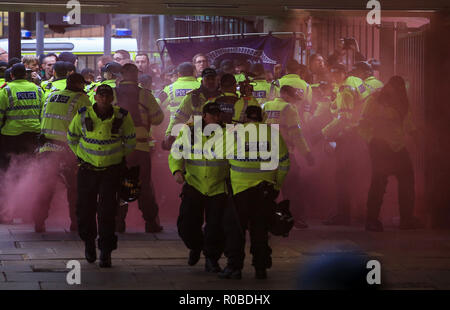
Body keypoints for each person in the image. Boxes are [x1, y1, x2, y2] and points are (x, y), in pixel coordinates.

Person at [67, 84, 136, 268]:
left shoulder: (122, 116)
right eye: (101, 95)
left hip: (111, 171)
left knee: (107, 212)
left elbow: (130, 141)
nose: (104, 99)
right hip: (87, 170)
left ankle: (105, 252)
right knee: (84, 210)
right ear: (95, 97)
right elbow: (72, 138)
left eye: (108, 96)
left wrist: (118, 157)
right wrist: (82, 156)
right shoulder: (83, 114)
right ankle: (89, 243)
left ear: (112, 98)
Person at [219, 105, 290, 280]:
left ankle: (234, 268)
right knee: (260, 231)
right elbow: (284, 163)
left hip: (239, 191)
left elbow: (219, 154)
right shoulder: (272, 133)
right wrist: (276, 186)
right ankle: (261, 268)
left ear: (244, 117)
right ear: (262, 117)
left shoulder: (235, 133)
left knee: (235, 230)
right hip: (264, 191)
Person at [169, 101, 229, 272]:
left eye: (218, 115)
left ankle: (212, 259)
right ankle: (196, 246)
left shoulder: (228, 133)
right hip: (194, 184)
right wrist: (176, 171)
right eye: (213, 114)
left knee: (216, 227)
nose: (216, 118)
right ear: (204, 115)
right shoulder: (189, 131)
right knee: (186, 225)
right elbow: (176, 153)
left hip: (218, 187)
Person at [359, 76, 422, 232]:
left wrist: (416, 137)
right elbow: (363, 124)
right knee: (379, 183)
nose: (398, 91)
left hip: (398, 146)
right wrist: (370, 141)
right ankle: (371, 220)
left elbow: (407, 123)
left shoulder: (402, 102)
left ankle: (406, 219)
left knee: (407, 180)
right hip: (380, 146)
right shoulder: (374, 101)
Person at [34, 73, 91, 232]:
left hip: (46, 148)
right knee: (75, 188)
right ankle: (75, 222)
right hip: (67, 150)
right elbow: (88, 126)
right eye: (83, 85)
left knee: (45, 186)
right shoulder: (81, 98)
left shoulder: (51, 96)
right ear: (80, 85)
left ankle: (39, 222)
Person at [113, 64, 165, 233]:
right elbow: (158, 119)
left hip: (118, 148)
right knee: (143, 185)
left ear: (121, 75)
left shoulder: (112, 93)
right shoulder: (145, 94)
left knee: (120, 184)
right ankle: (151, 223)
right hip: (141, 146)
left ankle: (118, 222)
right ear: (136, 75)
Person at [321, 63, 370, 226]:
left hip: (349, 137)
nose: (333, 77)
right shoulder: (356, 81)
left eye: (336, 74)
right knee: (358, 177)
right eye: (332, 73)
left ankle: (343, 215)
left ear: (343, 73)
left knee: (342, 177)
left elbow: (344, 119)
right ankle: (362, 213)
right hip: (363, 135)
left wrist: (324, 133)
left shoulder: (346, 89)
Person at [263, 85, 314, 228]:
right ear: (284, 94)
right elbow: (296, 135)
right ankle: (295, 219)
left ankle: (264, 219)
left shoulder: (265, 106)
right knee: (292, 187)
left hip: (266, 154)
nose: (294, 102)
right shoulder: (289, 109)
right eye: (292, 98)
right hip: (284, 154)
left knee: (268, 189)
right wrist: (307, 154)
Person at [162, 68, 222, 150]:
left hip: (220, 139)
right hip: (198, 139)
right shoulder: (193, 97)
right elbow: (179, 117)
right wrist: (169, 134)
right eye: (207, 79)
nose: (210, 81)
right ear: (202, 81)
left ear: (217, 81)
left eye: (213, 79)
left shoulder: (224, 97)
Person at [0, 63, 43, 170]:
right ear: (25, 75)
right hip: (33, 133)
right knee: (30, 164)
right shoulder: (37, 89)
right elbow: (43, 112)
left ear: (11, 75)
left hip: (12, 135)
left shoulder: (6, 90)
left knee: (10, 165)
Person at [158, 62, 200, 129]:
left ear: (178, 74)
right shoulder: (200, 87)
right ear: (194, 73)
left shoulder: (169, 88)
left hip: (175, 129)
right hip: (196, 129)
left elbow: (157, 104)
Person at [278, 59, 313, 124]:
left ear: (286, 70)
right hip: (297, 122)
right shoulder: (307, 86)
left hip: (279, 122)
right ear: (298, 71)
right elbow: (307, 106)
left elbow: (271, 102)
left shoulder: (277, 83)